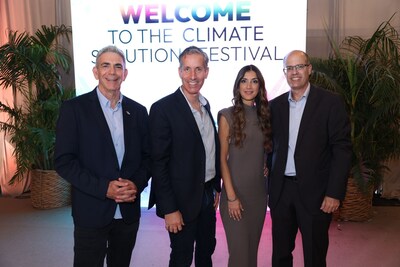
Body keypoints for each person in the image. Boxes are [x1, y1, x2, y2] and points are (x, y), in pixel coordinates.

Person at [54, 45, 151, 267]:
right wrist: (103, 188)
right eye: (105, 66)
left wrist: (135, 184)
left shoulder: (138, 111)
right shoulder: (74, 109)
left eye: (118, 66)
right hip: (91, 211)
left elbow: (148, 158)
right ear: (95, 72)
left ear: (125, 73)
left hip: (127, 212)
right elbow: (64, 161)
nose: (112, 72)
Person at [267, 50, 352, 267]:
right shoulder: (274, 106)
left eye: (299, 67)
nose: (294, 72)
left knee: (314, 255)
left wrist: (334, 193)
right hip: (282, 192)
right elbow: (269, 146)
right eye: (289, 68)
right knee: (280, 255)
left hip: (316, 194)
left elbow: (341, 150)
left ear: (309, 69)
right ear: (284, 72)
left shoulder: (330, 103)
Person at [148, 46, 221, 267]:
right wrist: (169, 209)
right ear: (179, 71)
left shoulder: (206, 105)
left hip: (207, 194)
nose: (193, 76)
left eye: (198, 69)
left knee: (206, 252)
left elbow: (209, 150)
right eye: (187, 69)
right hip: (180, 200)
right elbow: (158, 163)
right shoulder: (163, 109)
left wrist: (216, 187)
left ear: (206, 71)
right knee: (181, 257)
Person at [218, 65, 272, 267]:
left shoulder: (265, 116)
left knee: (251, 256)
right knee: (239, 257)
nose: (249, 86)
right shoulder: (227, 115)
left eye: (254, 81)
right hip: (235, 195)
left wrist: (266, 164)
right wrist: (231, 197)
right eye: (244, 81)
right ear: (237, 85)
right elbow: (222, 159)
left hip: (258, 196)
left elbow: (264, 149)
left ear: (260, 86)